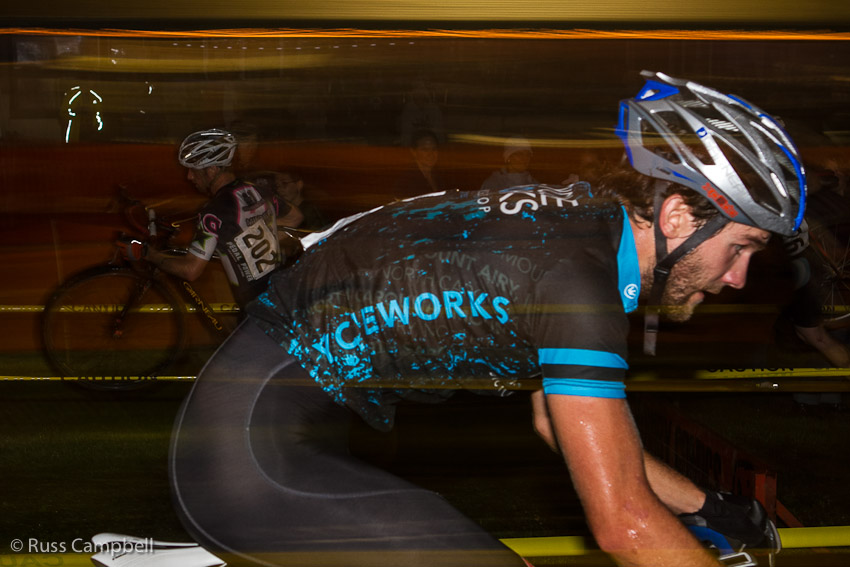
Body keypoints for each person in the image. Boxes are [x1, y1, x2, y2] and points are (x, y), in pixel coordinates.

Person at [169, 72, 804, 567]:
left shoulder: (581, 231)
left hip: (269, 422)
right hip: (249, 456)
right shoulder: (576, 282)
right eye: (740, 248)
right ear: (677, 218)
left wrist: (709, 506)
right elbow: (624, 525)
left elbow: (559, 424)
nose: (739, 278)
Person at [119, 128, 297, 308]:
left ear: (212, 170)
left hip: (259, 310)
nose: (189, 177)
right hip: (282, 294)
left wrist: (149, 254)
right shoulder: (257, 189)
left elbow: (191, 270)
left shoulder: (214, 212)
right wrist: (259, 232)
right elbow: (294, 217)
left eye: (193, 170)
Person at [394, 128, 451, 199]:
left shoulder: (440, 177)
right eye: (425, 150)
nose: (430, 154)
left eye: (434, 149)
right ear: (414, 152)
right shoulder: (406, 181)